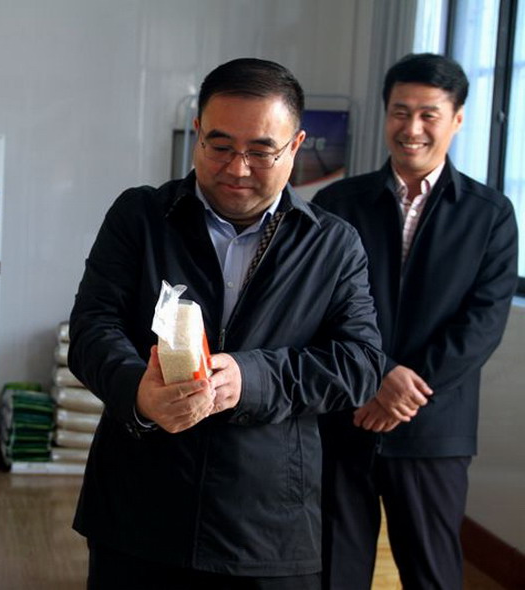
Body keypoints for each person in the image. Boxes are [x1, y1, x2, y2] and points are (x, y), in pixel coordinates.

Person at [68, 58, 385, 589]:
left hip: (264, 526)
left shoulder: (332, 244)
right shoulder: (141, 217)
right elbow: (92, 328)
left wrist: (251, 378)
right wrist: (138, 392)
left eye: (261, 151)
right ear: (197, 133)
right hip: (139, 512)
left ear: (296, 146)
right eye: (219, 146)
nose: (237, 168)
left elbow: (361, 363)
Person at [314, 53, 519, 590]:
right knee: (333, 572)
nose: (412, 128)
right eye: (400, 112)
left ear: (458, 119)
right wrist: (378, 374)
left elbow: (482, 324)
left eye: (429, 114)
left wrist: (403, 390)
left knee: (432, 575)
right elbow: (319, 306)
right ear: (386, 115)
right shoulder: (338, 202)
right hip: (346, 415)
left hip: (434, 428)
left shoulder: (491, 214)